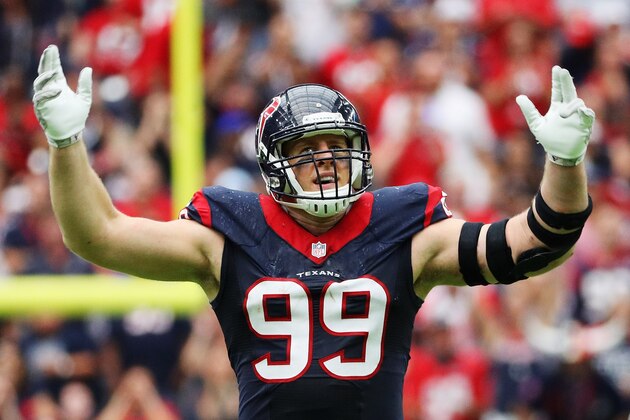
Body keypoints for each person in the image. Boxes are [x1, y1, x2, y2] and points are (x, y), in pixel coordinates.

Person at [32, 44, 594, 419]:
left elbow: (533, 247)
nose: (326, 162)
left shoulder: (404, 225)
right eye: (307, 151)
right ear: (274, 163)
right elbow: (98, 236)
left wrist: (564, 166)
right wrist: (65, 146)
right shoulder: (228, 231)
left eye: (337, 147)